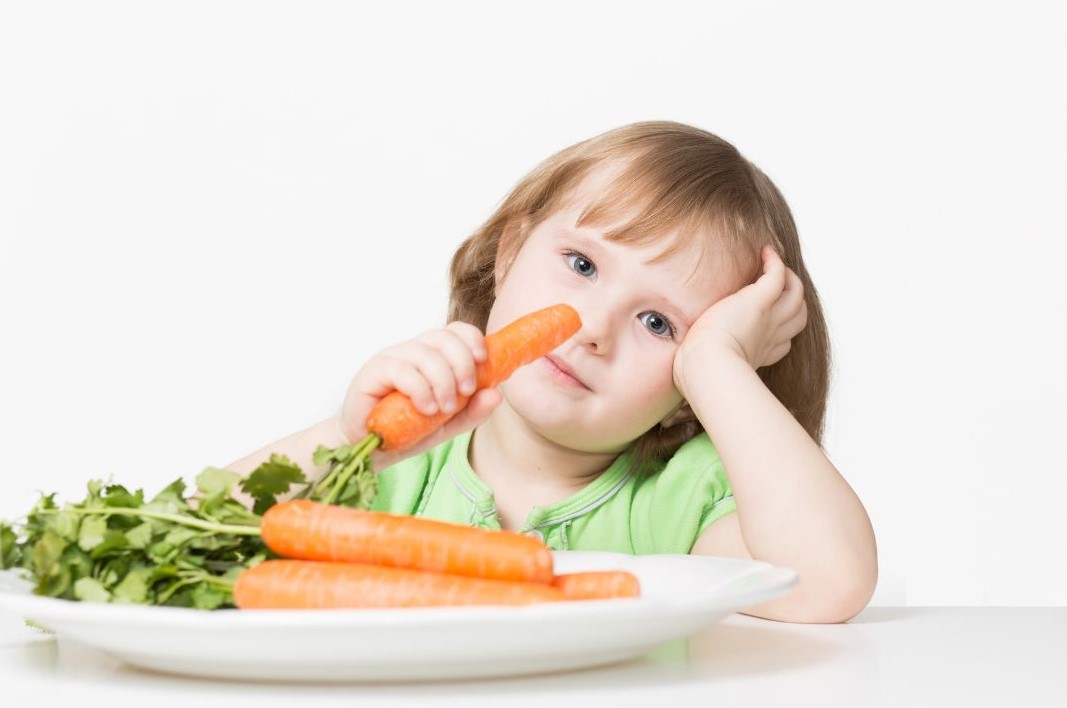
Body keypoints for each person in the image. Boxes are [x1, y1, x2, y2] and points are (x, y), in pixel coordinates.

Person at [227, 121, 877, 623]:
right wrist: (348, 443)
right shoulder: (396, 468)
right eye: (582, 265)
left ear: (690, 393)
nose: (590, 330)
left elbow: (824, 585)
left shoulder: (685, 499)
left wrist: (717, 366)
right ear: (508, 254)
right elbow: (186, 532)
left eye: (659, 324)